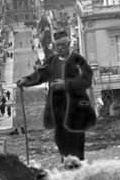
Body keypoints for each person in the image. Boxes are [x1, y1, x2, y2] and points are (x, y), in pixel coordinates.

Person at [16, 31, 96, 161]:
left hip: (75, 108)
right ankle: (66, 161)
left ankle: (78, 167)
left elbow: (87, 80)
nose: (60, 48)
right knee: (60, 139)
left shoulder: (78, 61)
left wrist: (66, 84)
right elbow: (40, 74)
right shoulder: (52, 61)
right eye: (57, 45)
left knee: (76, 139)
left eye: (63, 44)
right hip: (58, 108)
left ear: (69, 44)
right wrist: (26, 80)